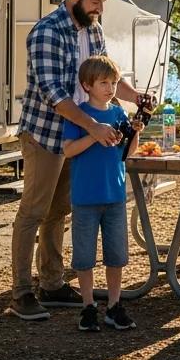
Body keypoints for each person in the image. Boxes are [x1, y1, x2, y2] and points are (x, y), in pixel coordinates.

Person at [9, 0, 143, 321]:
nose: (100, 8)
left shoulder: (93, 30)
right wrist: (95, 128)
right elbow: (56, 96)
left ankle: (51, 283)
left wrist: (136, 96)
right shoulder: (46, 33)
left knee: (58, 211)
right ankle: (21, 291)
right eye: (96, 1)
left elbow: (106, 74)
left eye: (103, 2)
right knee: (33, 211)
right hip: (45, 134)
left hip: (80, 134)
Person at [62, 54, 141, 332]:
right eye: (104, 82)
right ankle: (88, 306)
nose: (110, 88)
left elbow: (127, 153)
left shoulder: (119, 113)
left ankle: (114, 305)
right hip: (85, 198)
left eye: (114, 82)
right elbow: (68, 150)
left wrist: (134, 134)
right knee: (84, 256)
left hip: (115, 196)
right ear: (87, 85)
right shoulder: (80, 115)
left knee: (116, 254)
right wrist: (93, 134)